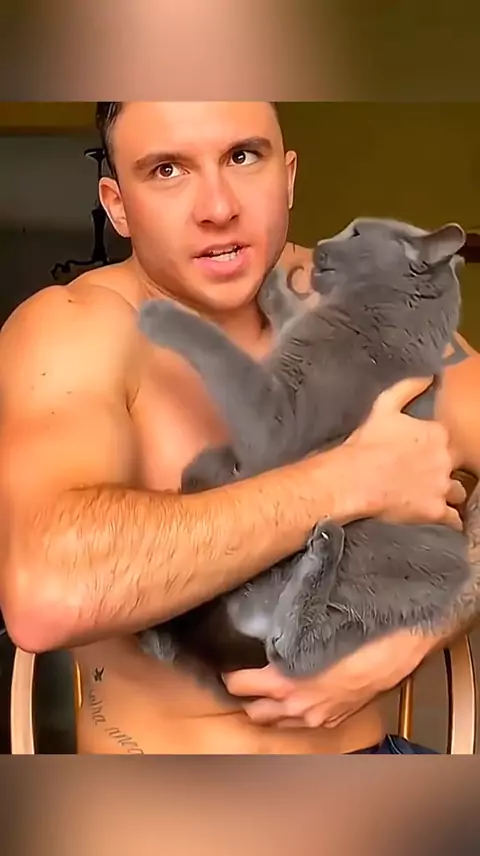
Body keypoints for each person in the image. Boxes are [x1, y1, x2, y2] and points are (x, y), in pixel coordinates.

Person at [0, 101, 479, 755]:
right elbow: (46, 593)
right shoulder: (74, 329)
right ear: (117, 205)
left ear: (288, 176)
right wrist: (349, 481)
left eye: (242, 156)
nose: (218, 207)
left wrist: (411, 638)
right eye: (168, 170)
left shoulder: (368, 302)